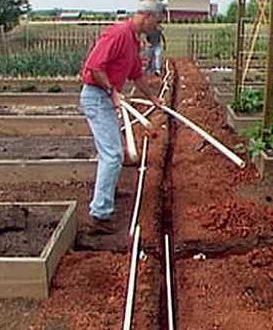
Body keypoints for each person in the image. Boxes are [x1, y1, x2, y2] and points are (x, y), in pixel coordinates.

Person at [79, 0, 165, 235]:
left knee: (111, 151)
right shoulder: (118, 34)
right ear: (146, 16)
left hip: (105, 97)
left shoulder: (134, 41)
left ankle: (108, 193)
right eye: (156, 22)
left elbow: (136, 75)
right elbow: (94, 67)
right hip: (97, 97)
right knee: (113, 154)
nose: (155, 27)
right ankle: (99, 214)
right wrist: (112, 91)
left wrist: (154, 98)